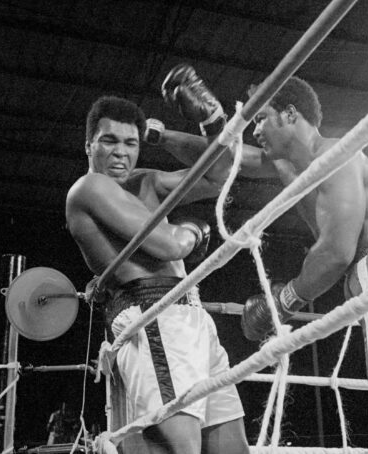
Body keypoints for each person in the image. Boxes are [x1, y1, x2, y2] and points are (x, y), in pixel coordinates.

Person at [154, 69, 368, 449]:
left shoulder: (335, 157)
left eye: (260, 119)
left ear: (290, 114)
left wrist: (284, 301)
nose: (253, 130)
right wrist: (170, 132)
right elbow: (223, 164)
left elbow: (338, 250)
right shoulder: (289, 163)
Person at [65, 74, 249, 454]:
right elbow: (166, 246)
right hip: (153, 314)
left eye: (131, 143)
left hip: (189, 314)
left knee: (232, 449)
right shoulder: (88, 188)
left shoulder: (145, 182)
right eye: (109, 141)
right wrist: (193, 231)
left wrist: (191, 128)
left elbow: (221, 173)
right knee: (181, 449)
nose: (121, 152)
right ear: (89, 145)